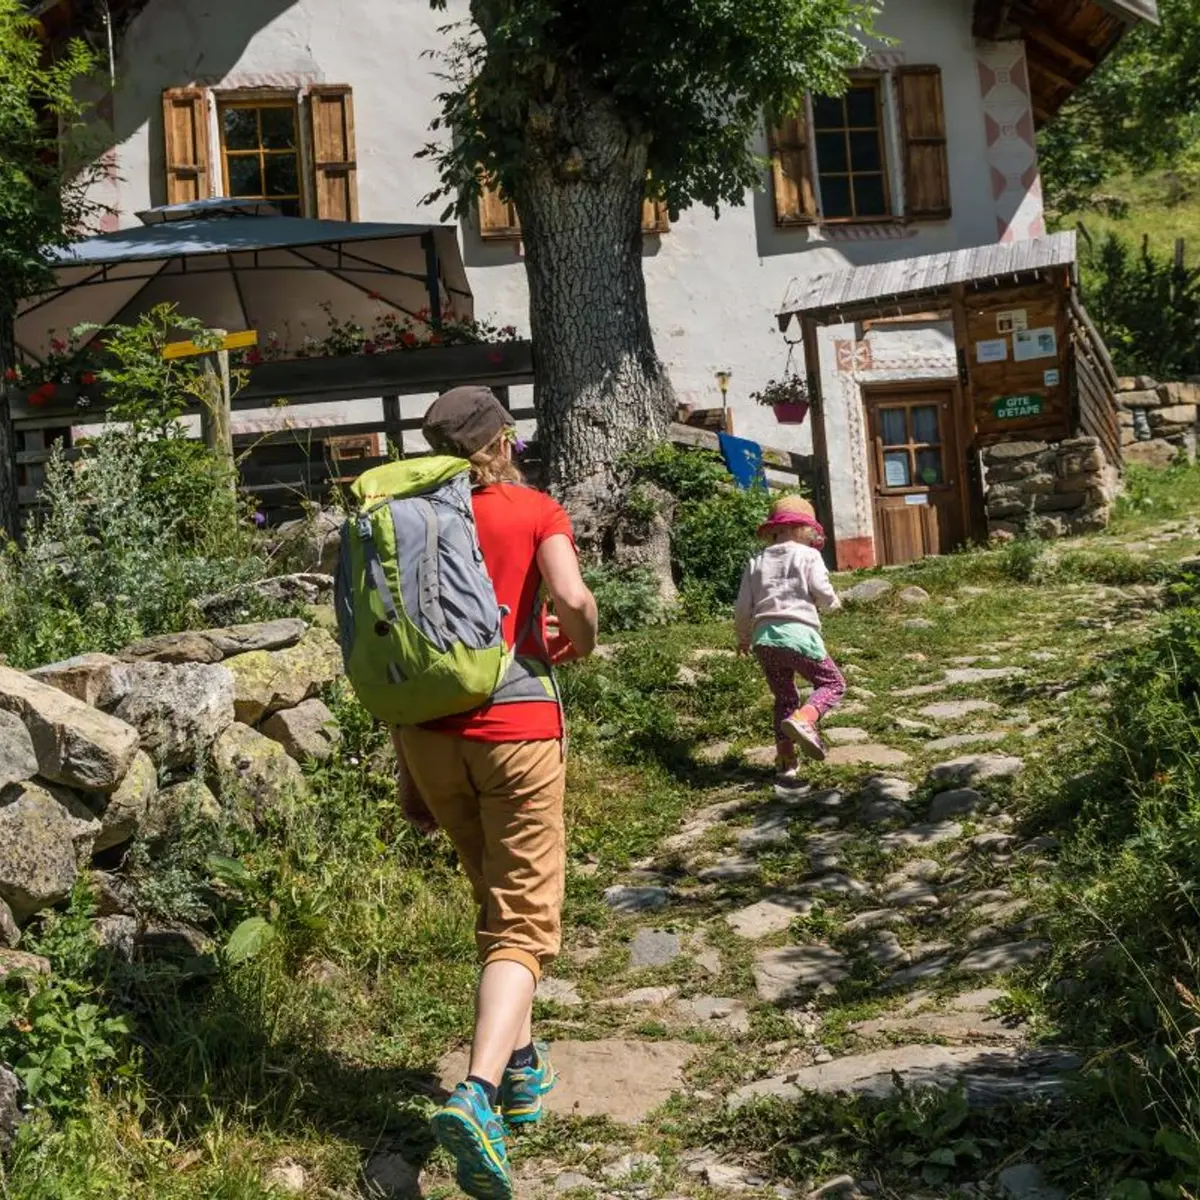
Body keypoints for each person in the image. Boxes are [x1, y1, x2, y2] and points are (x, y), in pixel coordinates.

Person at [393, 386, 598, 1200]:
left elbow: (399, 646)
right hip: (515, 729)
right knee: (523, 919)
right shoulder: (532, 508)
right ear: (504, 440)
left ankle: (520, 1067)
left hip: (427, 734)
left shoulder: (406, 517)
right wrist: (578, 642)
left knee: (493, 900)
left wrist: (407, 767)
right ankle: (476, 1094)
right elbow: (572, 599)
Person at [734, 495, 845, 777]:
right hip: (799, 634)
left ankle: (786, 761)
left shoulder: (756, 561)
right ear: (805, 529)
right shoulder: (808, 555)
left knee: (784, 696)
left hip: (764, 640)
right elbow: (820, 588)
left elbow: (742, 607)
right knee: (833, 683)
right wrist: (832, 603)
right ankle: (805, 719)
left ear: (773, 529)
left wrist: (743, 638)